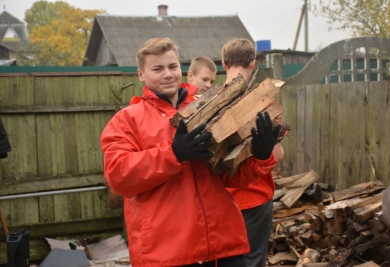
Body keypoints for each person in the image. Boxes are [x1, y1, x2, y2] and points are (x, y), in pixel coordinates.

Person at [100, 37, 278, 267]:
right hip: (168, 254)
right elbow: (119, 176)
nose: (168, 74)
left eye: (173, 66)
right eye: (157, 68)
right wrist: (174, 153)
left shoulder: (209, 107)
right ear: (141, 74)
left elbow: (229, 177)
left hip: (222, 247)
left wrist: (259, 157)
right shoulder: (127, 120)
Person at [222, 38, 285, 267]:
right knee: (252, 261)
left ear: (223, 63)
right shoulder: (262, 104)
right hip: (255, 198)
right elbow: (276, 155)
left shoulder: (209, 105)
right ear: (252, 63)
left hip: (222, 198)